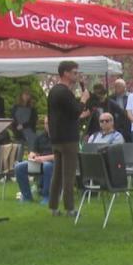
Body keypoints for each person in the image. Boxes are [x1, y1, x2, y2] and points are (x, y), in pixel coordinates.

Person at [48, 61, 90, 216]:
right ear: (65, 73)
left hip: (57, 138)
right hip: (68, 139)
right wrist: (84, 99)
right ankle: (70, 208)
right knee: (69, 175)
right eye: (74, 72)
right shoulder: (64, 92)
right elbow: (75, 111)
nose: (76, 75)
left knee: (57, 174)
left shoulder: (54, 91)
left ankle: (53, 206)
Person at [14, 116, 54, 204]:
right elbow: (34, 151)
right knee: (19, 167)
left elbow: (60, 155)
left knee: (47, 166)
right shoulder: (40, 137)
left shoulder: (61, 138)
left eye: (50, 123)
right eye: (46, 123)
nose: (48, 125)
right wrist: (32, 156)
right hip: (39, 164)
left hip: (55, 164)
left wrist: (43, 159)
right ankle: (27, 197)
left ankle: (47, 196)